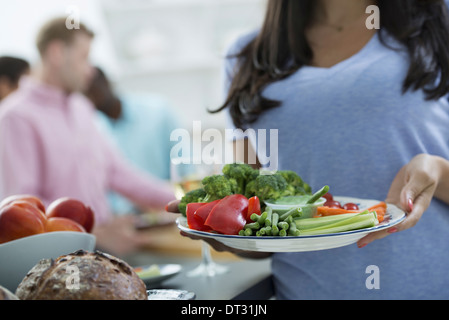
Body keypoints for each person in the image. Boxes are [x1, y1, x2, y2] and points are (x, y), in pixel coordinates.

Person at [167, 0, 449, 299]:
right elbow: (257, 218)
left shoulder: (439, 24)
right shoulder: (247, 55)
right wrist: (223, 232)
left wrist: (439, 174)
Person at [0, 17, 176, 256]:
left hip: (104, 251)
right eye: (85, 57)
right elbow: (22, 210)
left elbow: (119, 173)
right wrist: (93, 234)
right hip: (60, 261)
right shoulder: (14, 116)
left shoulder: (81, 106)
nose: (91, 69)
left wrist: (186, 199)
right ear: (57, 53)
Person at [85, 67, 178, 215]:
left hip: (166, 211)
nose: (91, 97)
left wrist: (185, 200)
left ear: (107, 82)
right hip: (124, 220)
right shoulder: (93, 128)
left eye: (93, 88)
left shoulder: (158, 112)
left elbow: (185, 168)